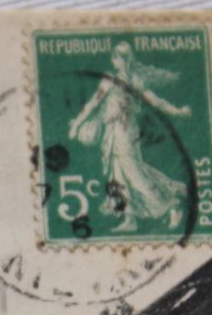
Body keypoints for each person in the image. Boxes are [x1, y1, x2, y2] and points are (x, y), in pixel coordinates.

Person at [66, 40, 194, 234]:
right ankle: (130, 217)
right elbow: (94, 103)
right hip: (113, 132)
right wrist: (76, 123)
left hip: (125, 132)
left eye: (121, 58)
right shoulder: (112, 80)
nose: (119, 62)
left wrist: (177, 112)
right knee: (118, 173)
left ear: (124, 59)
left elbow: (155, 101)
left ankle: (170, 205)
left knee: (132, 172)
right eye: (117, 58)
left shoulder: (133, 80)